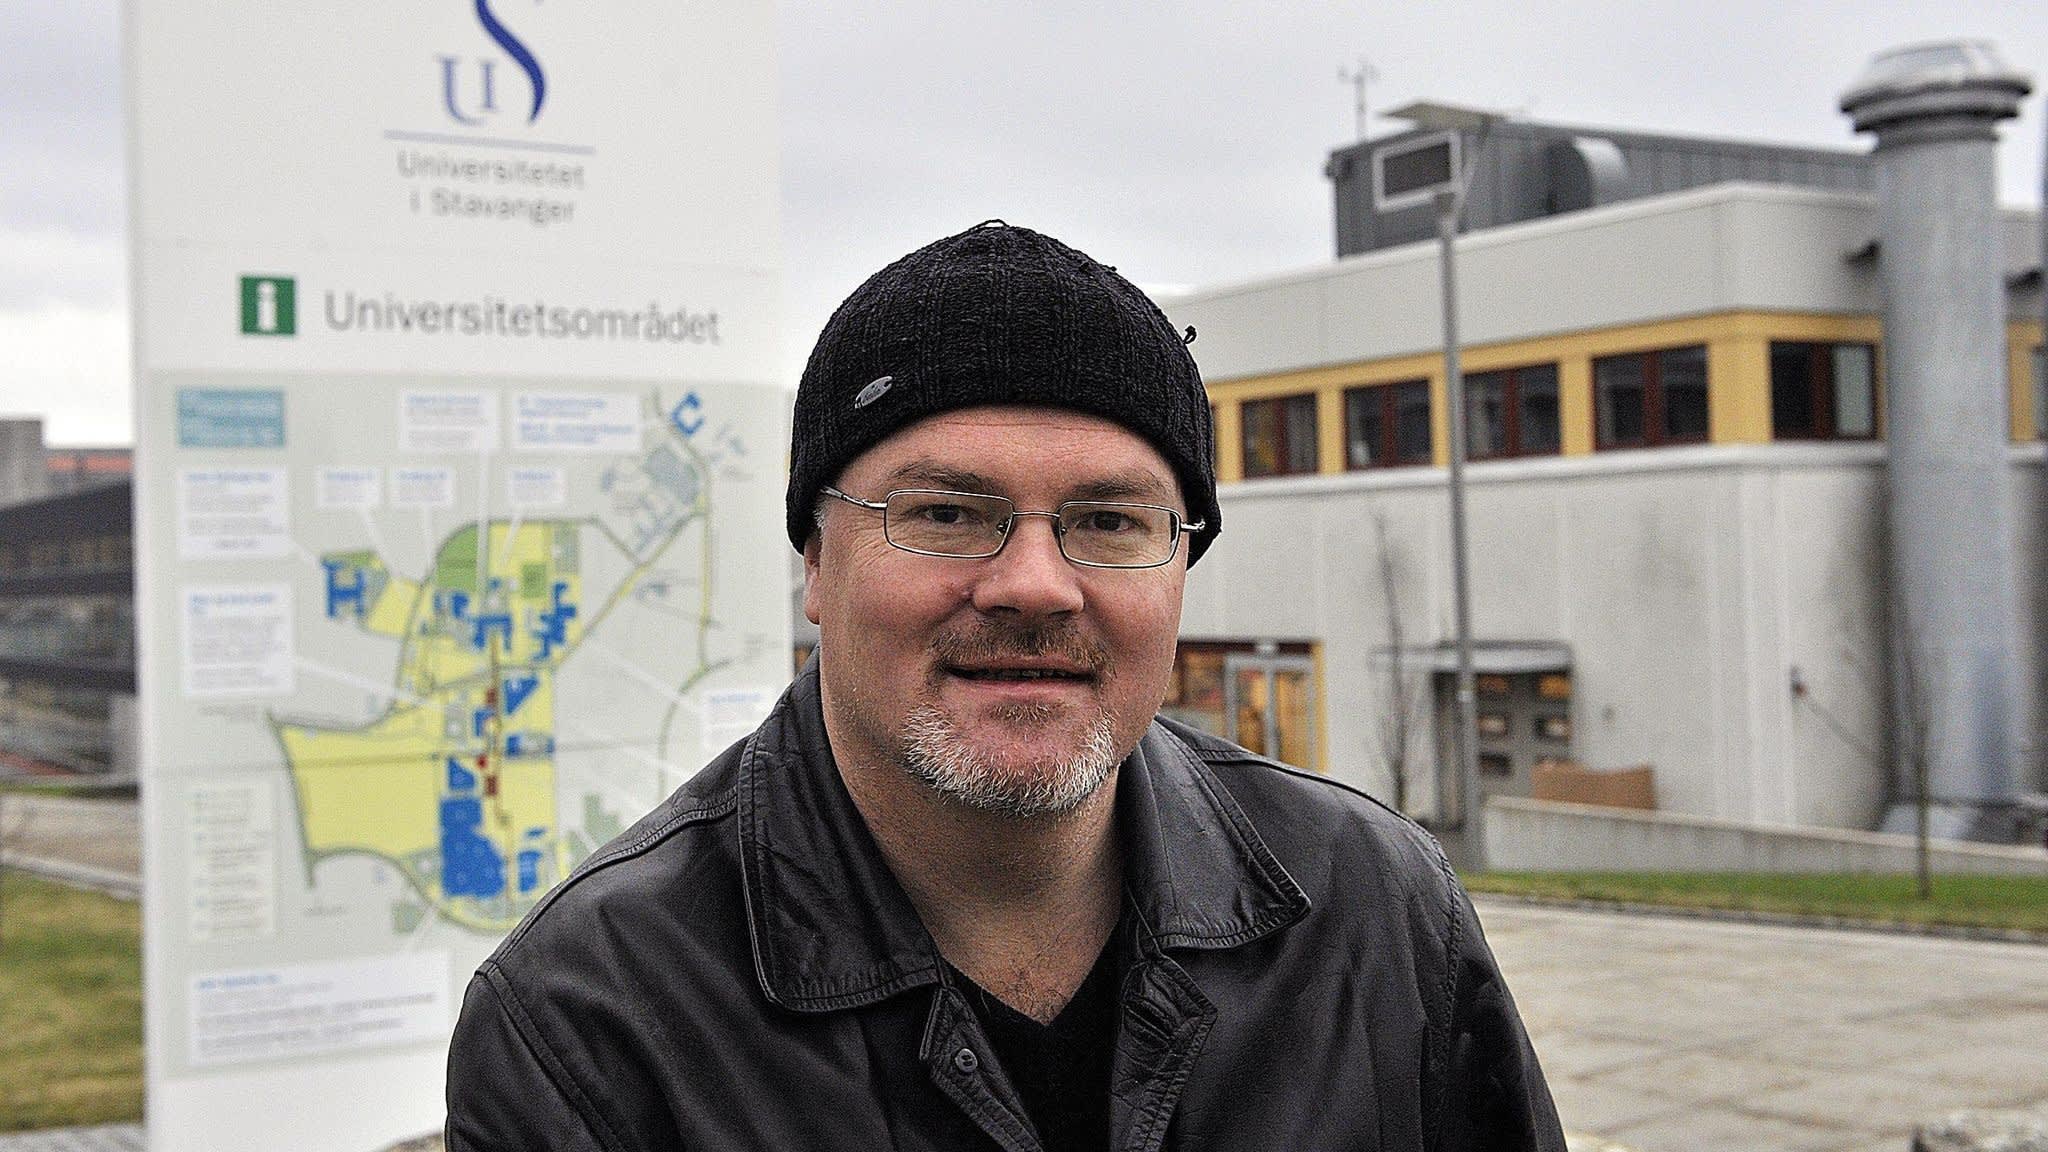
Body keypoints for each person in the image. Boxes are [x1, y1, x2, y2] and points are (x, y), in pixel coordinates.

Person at [444, 221, 1565, 1152]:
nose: (1035, 585)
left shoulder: (1376, 913)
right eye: (944, 513)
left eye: (1109, 521)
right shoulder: (590, 1019)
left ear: (1180, 567)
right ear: (814, 564)